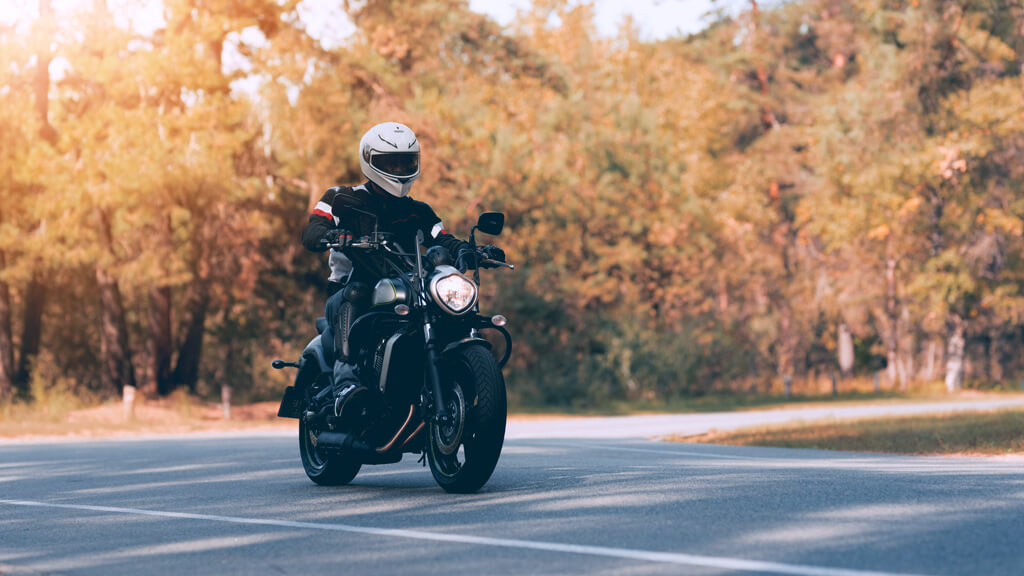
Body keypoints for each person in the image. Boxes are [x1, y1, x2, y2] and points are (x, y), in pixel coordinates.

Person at [301, 121, 504, 387]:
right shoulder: (341, 199)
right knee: (357, 292)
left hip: (408, 287)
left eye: (405, 163)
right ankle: (345, 380)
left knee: (445, 290)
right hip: (349, 290)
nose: (398, 170)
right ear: (369, 160)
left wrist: (471, 250)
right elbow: (313, 230)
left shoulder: (420, 211)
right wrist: (334, 236)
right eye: (391, 163)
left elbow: (442, 239)